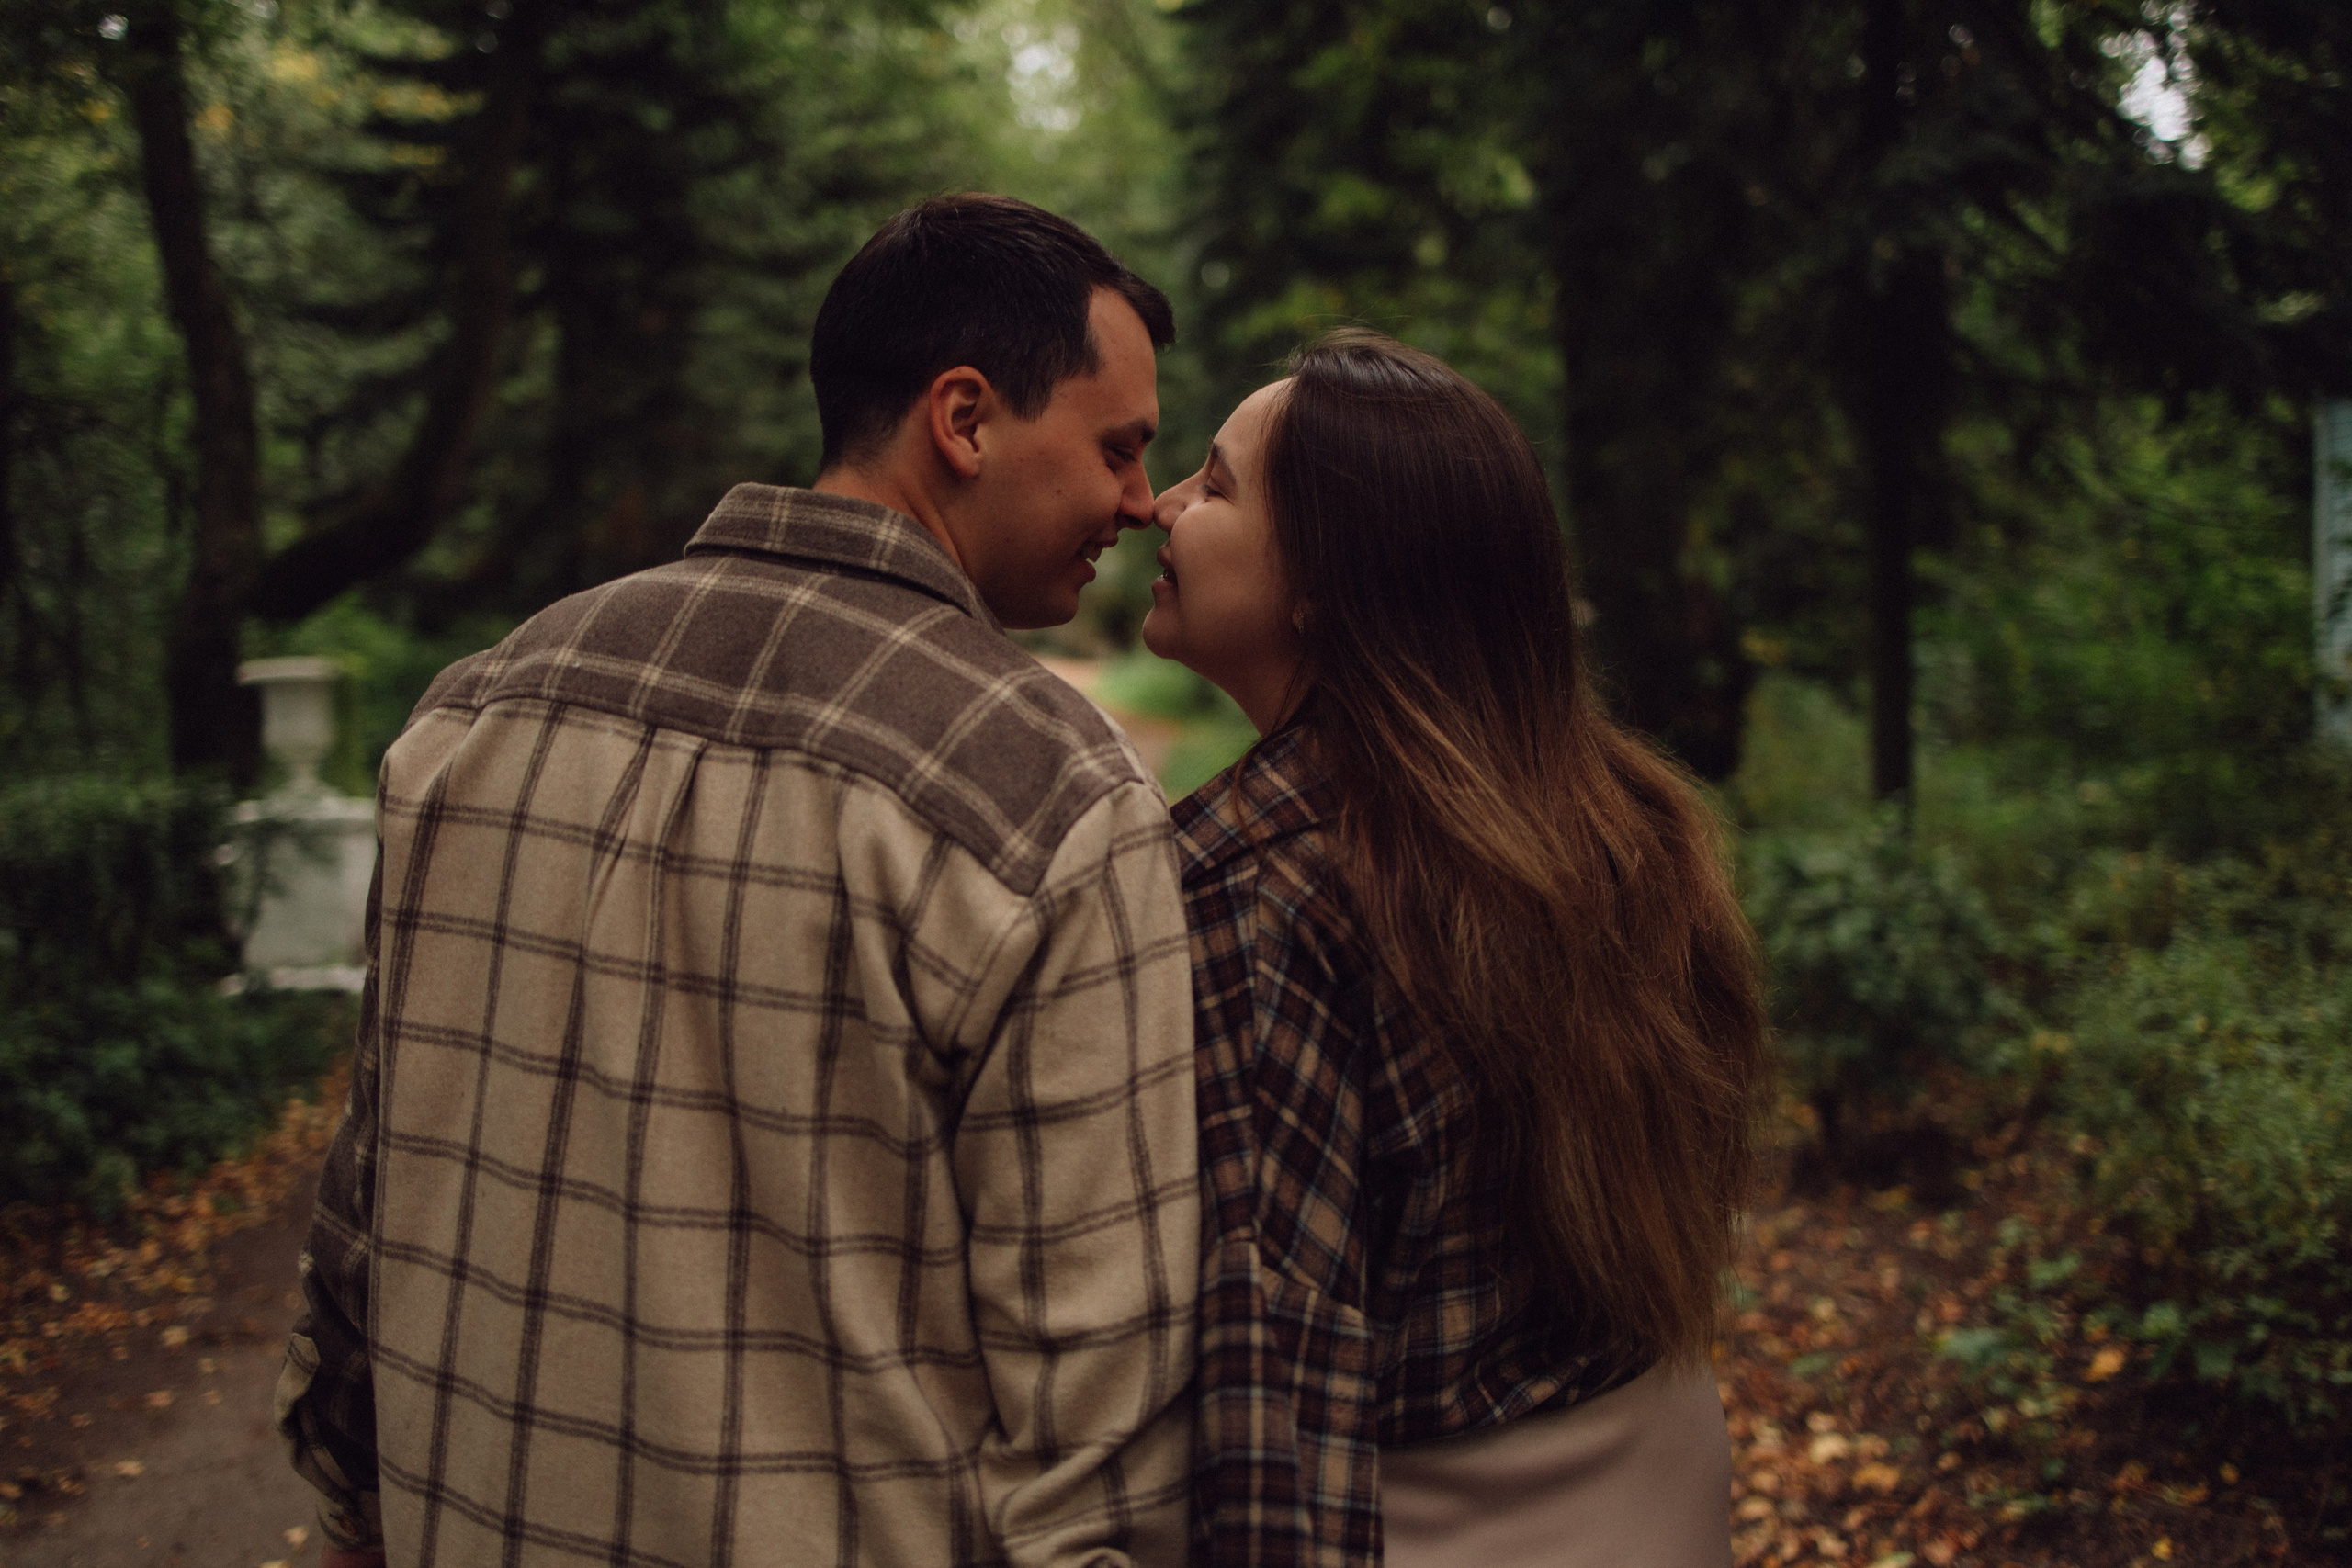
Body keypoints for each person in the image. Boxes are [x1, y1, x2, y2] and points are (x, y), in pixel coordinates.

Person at [275, 194, 1202, 1568]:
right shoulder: (1049, 793)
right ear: (964, 419)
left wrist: (358, 1509)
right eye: (1118, 448)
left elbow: (366, 1212)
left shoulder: (477, 707)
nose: (1141, 501)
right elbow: (1098, 1422)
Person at [1145, 330, 1767, 1568]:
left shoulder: (1261, 894)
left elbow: (1279, 1367)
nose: (1158, 505)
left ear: (1322, 575)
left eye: (1212, 485)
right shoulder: (1628, 827)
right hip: (1662, 1493)